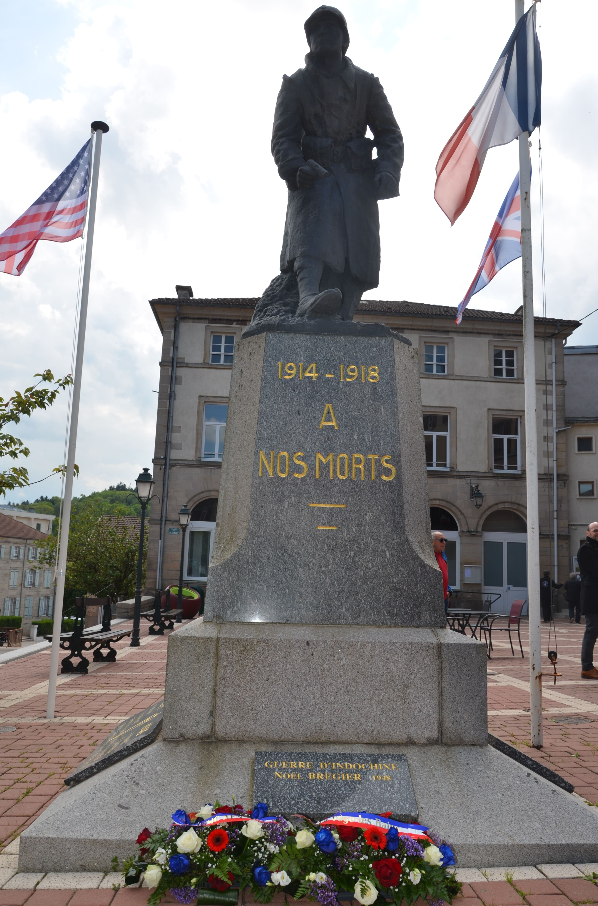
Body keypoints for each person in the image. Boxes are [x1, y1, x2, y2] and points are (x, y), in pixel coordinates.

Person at [271, 6, 404, 320]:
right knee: (311, 238)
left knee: (359, 251)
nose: (324, 35)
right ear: (309, 42)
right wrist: (294, 166)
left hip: (357, 179)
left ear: (345, 39)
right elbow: (282, 137)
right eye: (316, 31)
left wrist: (387, 168)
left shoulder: (367, 84)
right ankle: (307, 299)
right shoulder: (296, 85)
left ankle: (343, 312)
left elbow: (390, 133)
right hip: (315, 176)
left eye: (331, 29)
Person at [578, 522, 598, 679]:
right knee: (591, 631)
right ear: (588, 533)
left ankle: (589, 666)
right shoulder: (586, 549)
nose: (597, 533)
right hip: (593, 597)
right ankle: (586, 667)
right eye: (595, 530)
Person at [432, 531, 451, 615]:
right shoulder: (431, 556)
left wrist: (449, 590)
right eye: (441, 540)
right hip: (435, 597)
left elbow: (445, 574)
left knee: (442, 624)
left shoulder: (443, 555)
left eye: (445, 540)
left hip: (444, 597)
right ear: (432, 542)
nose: (444, 542)